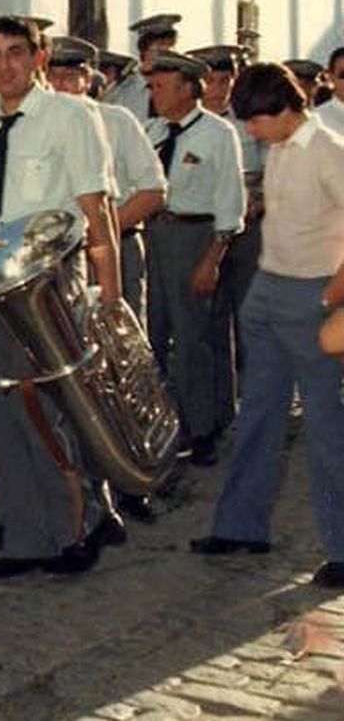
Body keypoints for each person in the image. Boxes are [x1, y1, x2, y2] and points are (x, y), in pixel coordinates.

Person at [0, 15, 123, 579]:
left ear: (39, 56)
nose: (3, 64)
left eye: (15, 52)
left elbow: (96, 208)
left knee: (55, 409)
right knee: (4, 413)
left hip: (49, 282)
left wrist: (110, 292)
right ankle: (26, 536)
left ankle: (79, 525)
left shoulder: (70, 115)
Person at [190, 63, 344, 592]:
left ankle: (342, 548)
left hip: (313, 294)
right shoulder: (279, 149)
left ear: (283, 110)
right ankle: (240, 527)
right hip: (269, 289)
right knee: (256, 415)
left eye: (255, 123)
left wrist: (331, 297)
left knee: (326, 427)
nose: (249, 133)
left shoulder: (329, 152)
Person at [143, 50, 245, 467]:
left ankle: (202, 428)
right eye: (151, 86)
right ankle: (165, 425)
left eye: (161, 86)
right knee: (154, 334)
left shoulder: (218, 134)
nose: (154, 94)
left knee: (194, 338)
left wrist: (213, 258)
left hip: (195, 236)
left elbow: (230, 202)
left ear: (187, 88)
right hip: (154, 235)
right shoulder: (151, 131)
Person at [47, 37, 166, 319]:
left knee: (118, 337)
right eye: (53, 76)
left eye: (70, 76)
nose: (60, 85)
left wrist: (102, 231)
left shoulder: (117, 121)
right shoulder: (33, 123)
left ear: (87, 79)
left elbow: (154, 189)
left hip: (117, 245)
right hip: (56, 257)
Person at [190, 44, 262, 441]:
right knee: (210, 324)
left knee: (250, 319)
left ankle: (257, 407)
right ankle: (219, 409)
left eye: (225, 80)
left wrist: (258, 202)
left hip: (250, 230)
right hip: (206, 233)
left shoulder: (251, 120)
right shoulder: (192, 126)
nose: (218, 89)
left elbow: (274, 170)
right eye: (211, 81)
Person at [106, 13, 179, 122]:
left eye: (171, 45)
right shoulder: (123, 90)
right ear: (144, 49)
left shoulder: (179, 86)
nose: (167, 51)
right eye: (160, 45)